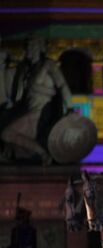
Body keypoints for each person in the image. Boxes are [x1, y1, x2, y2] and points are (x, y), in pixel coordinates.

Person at [0, 36, 72, 164]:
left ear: (41, 48)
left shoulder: (48, 65)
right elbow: (14, 90)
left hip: (40, 112)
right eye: (28, 47)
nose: (30, 50)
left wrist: (70, 108)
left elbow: (62, 85)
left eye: (34, 46)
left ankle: (43, 153)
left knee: (6, 133)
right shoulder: (26, 69)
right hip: (27, 109)